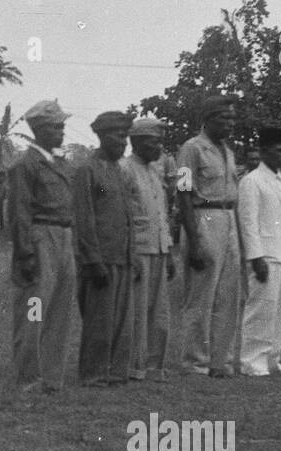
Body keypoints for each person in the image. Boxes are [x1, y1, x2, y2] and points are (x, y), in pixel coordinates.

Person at [6, 99, 76, 394]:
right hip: (39, 236)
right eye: (55, 126)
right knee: (34, 309)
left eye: (62, 125)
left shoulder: (61, 163)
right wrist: (25, 252)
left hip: (63, 236)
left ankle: (51, 376)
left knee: (60, 309)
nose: (61, 131)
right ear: (39, 129)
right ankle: (28, 378)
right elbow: (19, 211)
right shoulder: (25, 165)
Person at [176, 95, 241, 378]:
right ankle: (195, 361)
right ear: (207, 119)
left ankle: (221, 361)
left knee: (228, 294)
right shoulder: (191, 149)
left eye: (231, 118)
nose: (229, 123)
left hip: (228, 218)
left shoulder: (228, 151)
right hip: (203, 218)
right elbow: (183, 194)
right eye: (223, 118)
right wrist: (194, 240)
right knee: (202, 294)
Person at [74, 111, 136, 387]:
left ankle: (115, 371)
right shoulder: (88, 170)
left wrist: (131, 253)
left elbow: (126, 215)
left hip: (122, 254)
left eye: (125, 137)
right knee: (99, 319)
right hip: (101, 256)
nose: (123, 142)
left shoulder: (120, 171)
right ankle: (94, 373)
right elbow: (85, 217)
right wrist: (93, 258)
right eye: (118, 136)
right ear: (101, 136)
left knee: (122, 320)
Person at [237, 127, 281, 377]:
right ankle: (252, 361)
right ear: (264, 152)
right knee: (261, 309)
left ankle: (273, 357)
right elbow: (248, 222)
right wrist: (256, 257)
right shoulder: (252, 181)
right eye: (278, 151)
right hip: (266, 254)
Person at [122, 117, 176, 382]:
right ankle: (135, 365)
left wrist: (170, 251)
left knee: (160, 313)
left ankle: (155, 365)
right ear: (138, 142)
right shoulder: (124, 169)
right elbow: (120, 213)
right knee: (138, 311)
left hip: (160, 248)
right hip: (138, 248)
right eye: (154, 142)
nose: (159, 147)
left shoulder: (156, 172)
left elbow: (162, 213)